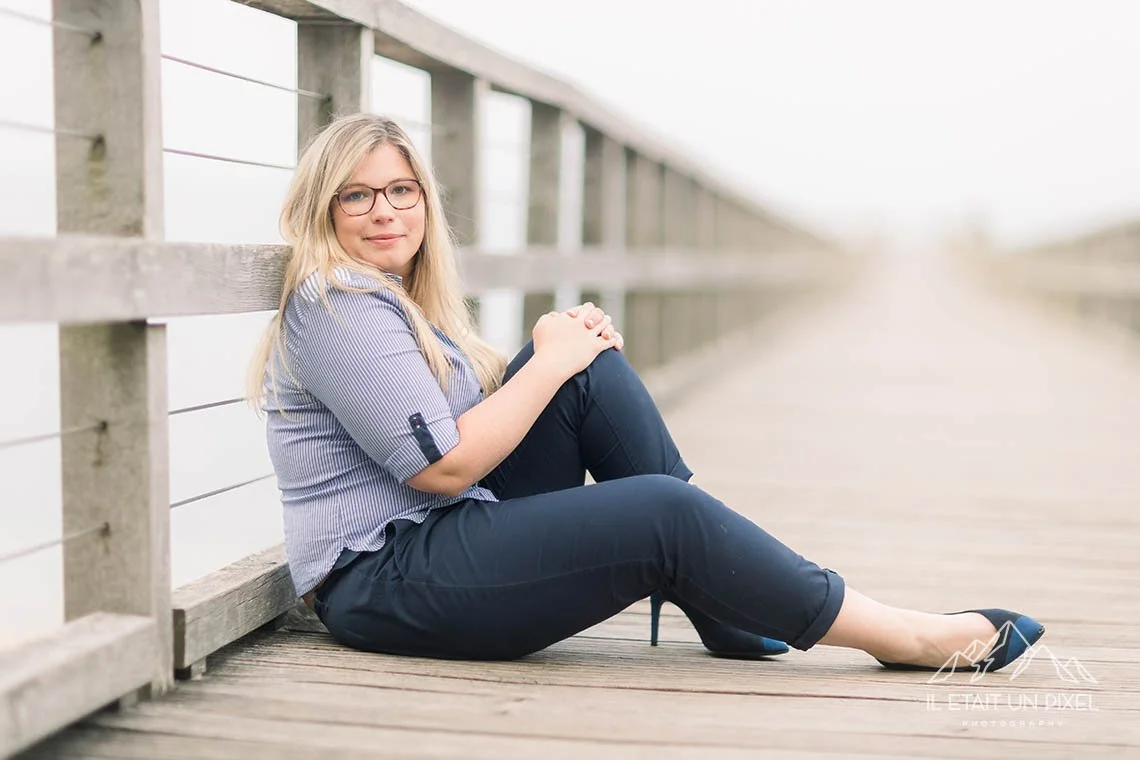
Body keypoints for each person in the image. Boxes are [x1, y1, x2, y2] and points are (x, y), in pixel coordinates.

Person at [247, 113, 1044, 670]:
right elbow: (443, 467)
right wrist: (549, 361)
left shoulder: (393, 296)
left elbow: (459, 423)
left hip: (442, 537)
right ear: (324, 208)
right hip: (384, 582)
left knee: (589, 369)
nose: (384, 211)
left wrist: (566, 352)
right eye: (357, 195)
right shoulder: (336, 301)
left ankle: (722, 598)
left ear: (424, 200)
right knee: (663, 508)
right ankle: (902, 635)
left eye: (400, 191)